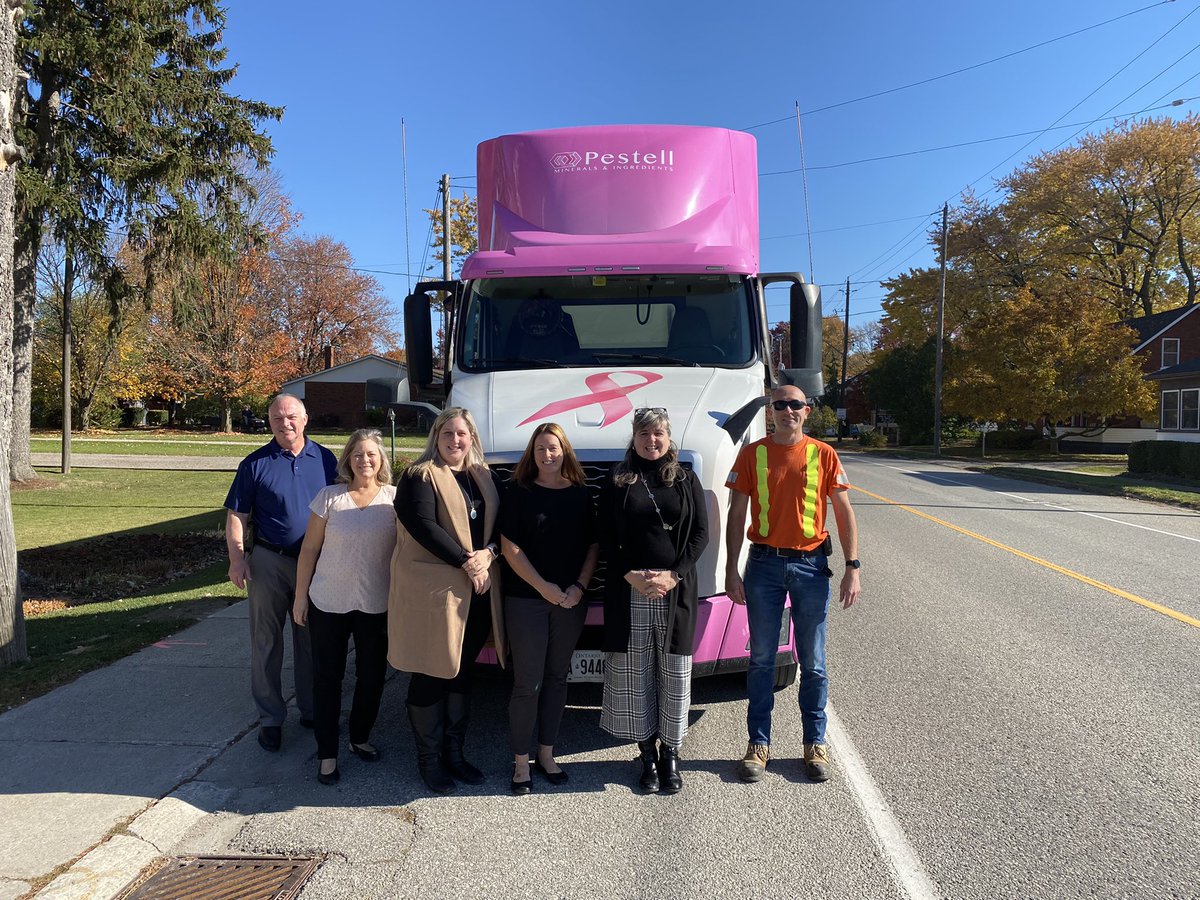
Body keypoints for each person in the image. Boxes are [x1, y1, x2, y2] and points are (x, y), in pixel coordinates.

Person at [725, 384, 861, 784]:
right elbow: (736, 514)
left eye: (795, 405)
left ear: (808, 410)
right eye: (780, 404)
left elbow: (843, 510)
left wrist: (853, 565)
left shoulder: (824, 454)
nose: (787, 410)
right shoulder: (752, 454)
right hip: (764, 566)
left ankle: (814, 745)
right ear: (772, 412)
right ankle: (758, 744)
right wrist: (732, 569)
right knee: (762, 660)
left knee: (813, 663)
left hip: (811, 567)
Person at [389, 407, 506, 794]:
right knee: (430, 672)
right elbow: (423, 526)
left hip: (477, 593)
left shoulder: (483, 477)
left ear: (472, 438)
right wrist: (466, 562)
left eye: (463, 434)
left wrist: (488, 553)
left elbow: (499, 526)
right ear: (435, 437)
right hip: (435, 595)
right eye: (448, 433)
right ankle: (429, 760)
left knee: (462, 671)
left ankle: (454, 755)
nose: (456, 441)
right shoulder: (419, 476)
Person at [599, 407, 708, 795]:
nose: (651, 440)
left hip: (674, 589)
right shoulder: (618, 480)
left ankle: (670, 754)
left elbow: (700, 535)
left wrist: (673, 574)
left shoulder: (684, 478)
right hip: (630, 588)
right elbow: (605, 534)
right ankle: (646, 753)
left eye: (658, 433)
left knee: (674, 673)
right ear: (634, 436)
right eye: (644, 433)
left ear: (668, 436)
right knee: (635, 673)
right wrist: (630, 573)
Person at [225, 393, 338, 752]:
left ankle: (310, 709)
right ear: (269, 422)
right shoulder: (255, 464)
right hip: (269, 561)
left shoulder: (326, 458)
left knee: (310, 640)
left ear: (305, 419)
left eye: (291, 416)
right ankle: (271, 718)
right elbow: (236, 517)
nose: (284, 423)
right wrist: (237, 559)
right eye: (276, 418)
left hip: (316, 564)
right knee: (266, 641)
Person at [292, 429, 396, 785]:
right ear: (347, 460)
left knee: (371, 678)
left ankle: (359, 737)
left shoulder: (394, 501)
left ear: (382, 459)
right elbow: (308, 551)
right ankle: (327, 753)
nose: (364, 460)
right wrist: (300, 596)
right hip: (328, 602)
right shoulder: (330, 497)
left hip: (376, 605)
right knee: (327, 680)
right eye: (357, 454)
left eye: (371, 454)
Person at [501, 423, 599, 795]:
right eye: (540, 448)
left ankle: (547, 754)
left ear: (564, 451)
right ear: (533, 453)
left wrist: (578, 587)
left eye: (553, 448)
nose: (547, 455)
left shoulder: (580, 494)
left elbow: (593, 546)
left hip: (571, 601)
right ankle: (520, 762)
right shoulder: (518, 492)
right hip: (527, 601)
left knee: (558, 678)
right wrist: (545, 589)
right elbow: (510, 549)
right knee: (528, 683)